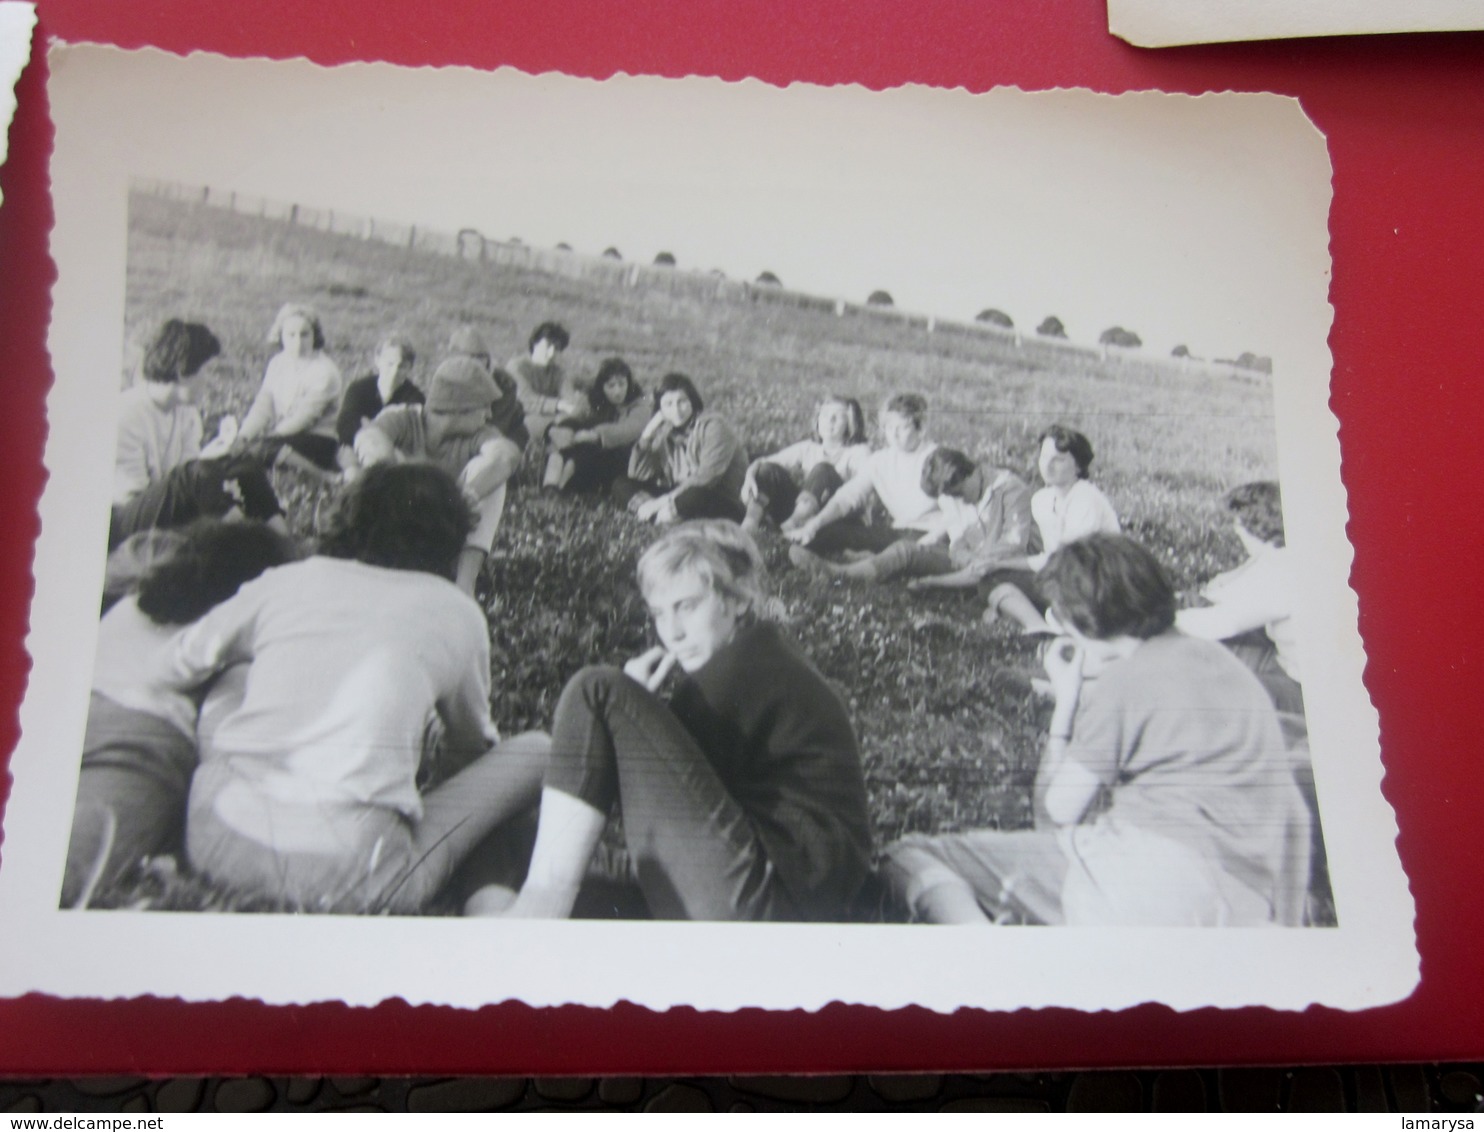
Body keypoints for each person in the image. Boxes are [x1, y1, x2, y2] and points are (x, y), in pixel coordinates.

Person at [154, 464, 550, 914]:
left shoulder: (287, 580)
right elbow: (470, 747)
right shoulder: (456, 611)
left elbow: (176, 663)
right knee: (536, 749)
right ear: (454, 538)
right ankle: (490, 898)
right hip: (354, 870)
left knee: (232, 673)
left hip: (215, 841)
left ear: (344, 517)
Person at [884, 533, 1312, 927]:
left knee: (908, 856)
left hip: (1145, 880)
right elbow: (1293, 817)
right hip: (1245, 907)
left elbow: (1058, 812)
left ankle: (992, 951)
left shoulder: (1123, 682)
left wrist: (1066, 704)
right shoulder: (1230, 669)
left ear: (1081, 624)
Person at [481, 520, 872, 921]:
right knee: (508, 840)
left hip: (771, 897)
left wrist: (625, 718)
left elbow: (649, 804)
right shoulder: (766, 657)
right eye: (659, 614)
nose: (673, 633)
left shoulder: (739, 674)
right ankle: (489, 919)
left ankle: (533, 917)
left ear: (738, 600)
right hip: (766, 890)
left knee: (596, 692)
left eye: (687, 606)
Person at [62, 520, 298, 908]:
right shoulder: (242, 633)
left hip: (71, 708)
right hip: (140, 743)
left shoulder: (141, 598)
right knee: (70, 871)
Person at [351, 357, 523, 596]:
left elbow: (506, 456)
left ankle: (464, 583)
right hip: (399, 520)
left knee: (492, 478)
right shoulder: (404, 417)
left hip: (449, 521)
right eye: (483, 405)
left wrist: (463, 494)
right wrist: (399, 478)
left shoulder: (479, 433)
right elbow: (368, 439)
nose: (489, 414)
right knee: (384, 465)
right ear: (458, 407)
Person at [109, 319, 285, 551]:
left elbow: (187, 475)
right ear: (183, 372)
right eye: (207, 371)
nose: (210, 381)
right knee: (198, 475)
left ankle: (285, 542)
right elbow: (133, 494)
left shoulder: (186, 411)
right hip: (122, 521)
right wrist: (205, 482)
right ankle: (257, 548)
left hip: (164, 499)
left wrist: (216, 465)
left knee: (243, 466)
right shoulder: (125, 415)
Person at [792, 447, 1033, 587]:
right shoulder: (951, 494)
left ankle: (847, 571)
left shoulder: (1009, 489)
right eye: (951, 496)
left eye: (959, 494)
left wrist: (977, 559)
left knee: (918, 558)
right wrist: (963, 555)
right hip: (970, 562)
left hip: (1009, 568)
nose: (958, 500)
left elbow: (1013, 545)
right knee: (906, 550)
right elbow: (957, 537)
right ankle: (838, 573)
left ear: (970, 475)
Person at [979, 424, 1120, 633]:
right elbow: (1048, 555)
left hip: (1096, 583)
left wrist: (1003, 564)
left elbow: (1065, 558)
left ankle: (1036, 623)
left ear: (1079, 466)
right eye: (1044, 457)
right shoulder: (1042, 499)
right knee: (991, 579)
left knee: (996, 580)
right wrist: (998, 562)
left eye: (1059, 459)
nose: (1048, 465)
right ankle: (1036, 618)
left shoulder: (1086, 499)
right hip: (1062, 575)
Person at [1176, 481, 1302, 716]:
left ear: (1253, 525)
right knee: (1195, 610)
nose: (1235, 530)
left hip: (1301, 688)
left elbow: (1222, 623)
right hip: (1282, 661)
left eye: (1238, 523)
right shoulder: (1279, 557)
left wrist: (1159, 618)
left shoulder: (1284, 569)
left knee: (1210, 692)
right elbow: (1222, 596)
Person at [783, 392, 940, 557]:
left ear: (921, 429)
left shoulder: (937, 458)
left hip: (933, 534)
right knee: (824, 533)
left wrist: (935, 537)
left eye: (902, 427)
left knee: (901, 551)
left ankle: (860, 561)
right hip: (898, 531)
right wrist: (814, 525)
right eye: (888, 427)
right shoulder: (880, 460)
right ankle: (861, 556)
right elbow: (848, 496)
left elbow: (963, 512)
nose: (893, 435)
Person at [611, 373, 749, 524]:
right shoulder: (665, 430)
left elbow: (706, 478)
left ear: (692, 401)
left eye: (682, 401)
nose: (676, 410)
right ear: (660, 410)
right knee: (621, 483)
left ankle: (657, 515)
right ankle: (661, 517)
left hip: (720, 497)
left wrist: (660, 502)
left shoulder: (714, 426)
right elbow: (638, 474)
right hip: (679, 494)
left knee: (695, 495)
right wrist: (647, 435)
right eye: (668, 404)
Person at [236, 303, 345, 474]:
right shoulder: (277, 363)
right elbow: (263, 406)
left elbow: (304, 418)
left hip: (318, 439)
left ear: (315, 336)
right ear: (280, 336)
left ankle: (324, 476)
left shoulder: (325, 371)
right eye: (291, 335)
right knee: (238, 447)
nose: (298, 342)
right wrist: (243, 436)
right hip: (286, 436)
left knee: (260, 448)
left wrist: (269, 438)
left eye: (305, 334)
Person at [740, 396, 870, 535]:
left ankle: (789, 529)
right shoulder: (808, 448)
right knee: (768, 469)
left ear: (850, 424)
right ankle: (750, 526)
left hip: (840, 519)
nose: (829, 421)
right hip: (808, 512)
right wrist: (749, 477)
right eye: (825, 415)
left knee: (823, 470)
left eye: (837, 417)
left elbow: (862, 492)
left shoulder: (859, 452)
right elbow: (763, 462)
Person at [542, 357, 649, 493]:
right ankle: (551, 484)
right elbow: (576, 414)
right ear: (602, 387)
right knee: (567, 428)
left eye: (622, 384)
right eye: (611, 386)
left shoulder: (639, 403)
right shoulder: (595, 399)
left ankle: (560, 486)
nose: (617, 391)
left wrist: (596, 435)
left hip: (622, 459)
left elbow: (631, 429)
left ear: (629, 383)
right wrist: (559, 429)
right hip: (590, 454)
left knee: (585, 447)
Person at [334, 334, 424, 472]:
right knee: (352, 472)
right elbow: (344, 426)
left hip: (393, 451)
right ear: (378, 360)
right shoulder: (359, 388)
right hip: (353, 446)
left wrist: (366, 423)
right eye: (390, 364)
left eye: (402, 366)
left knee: (389, 468)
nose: (394, 371)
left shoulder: (414, 397)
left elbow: (411, 436)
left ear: (410, 367)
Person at [447, 326, 528, 448]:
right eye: (469, 357)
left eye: (480, 357)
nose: (475, 363)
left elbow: (497, 425)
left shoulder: (504, 382)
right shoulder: (447, 378)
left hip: (499, 435)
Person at [506, 320, 577, 447]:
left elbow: (570, 400)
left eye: (557, 349)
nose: (551, 353)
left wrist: (568, 406)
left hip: (552, 423)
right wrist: (558, 405)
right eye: (548, 346)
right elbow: (524, 400)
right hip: (520, 424)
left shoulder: (558, 372)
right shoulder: (516, 367)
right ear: (535, 344)